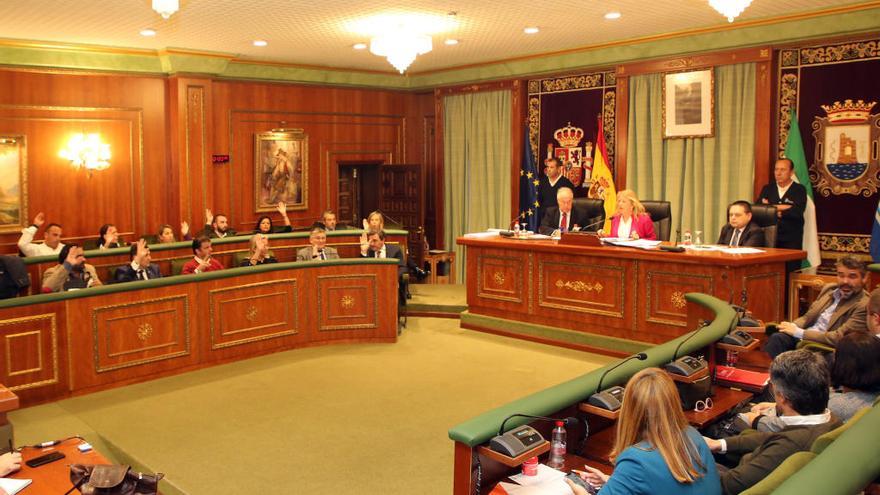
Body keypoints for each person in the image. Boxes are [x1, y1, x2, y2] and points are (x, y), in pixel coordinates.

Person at [703, 350, 840, 495]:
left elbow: (726, 486)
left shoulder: (789, 445)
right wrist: (719, 444)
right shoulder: (831, 419)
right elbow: (774, 437)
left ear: (782, 397)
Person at [567, 368, 720, 495]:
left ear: (629, 410)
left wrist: (581, 492)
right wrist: (616, 481)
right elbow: (662, 484)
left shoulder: (635, 459)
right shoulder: (692, 434)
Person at [764, 255, 868, 358]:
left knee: (805, 351)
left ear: (864, 278)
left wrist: (799, 332)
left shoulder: (864, 304)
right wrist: (791, 326)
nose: (845, 281)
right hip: (805, 337)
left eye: (852, 276)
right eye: (841, 275)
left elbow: (839, 337)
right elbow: (807, 318)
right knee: (777, 338)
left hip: (825, 346)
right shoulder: (829, 289)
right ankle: (776, 373)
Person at [757, 158, 806, 271]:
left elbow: (797, 212)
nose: (778, 173)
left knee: (790, 272)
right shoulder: (768, 188)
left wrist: (771, 208)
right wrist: (783, 208)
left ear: (791, 172)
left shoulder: (799, 189)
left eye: (783, 170)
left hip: (791, 239)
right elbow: (760, 209)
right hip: (770, 238)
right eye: (776, 169)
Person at [537, 157, 575, 225]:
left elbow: (570, 203)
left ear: (558, 169)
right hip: (544, 219)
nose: (548, 169)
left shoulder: (566, 183)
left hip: (559, 219)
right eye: (548, 167)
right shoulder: (542, 182)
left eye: (551, 167)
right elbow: (539, 201)